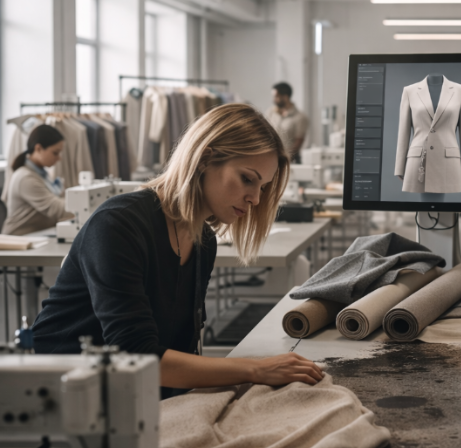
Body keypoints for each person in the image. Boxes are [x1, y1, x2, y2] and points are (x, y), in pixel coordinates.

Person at [32, 103, 324, 397]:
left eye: (262, 187)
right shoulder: (117, 225)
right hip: (67, 398)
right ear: (204, 159)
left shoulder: (203, 242)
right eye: (247, 178)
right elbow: (136, 355)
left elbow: (177, 350)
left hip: (137, 395)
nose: (255, 199)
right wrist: (256, 369)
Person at [1, 124, 74, 236]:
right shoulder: (25, 178)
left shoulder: (42, 174)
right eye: (55, 153)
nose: (59, 158)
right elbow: (55, 209)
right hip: (19, 241)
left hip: (37, 236)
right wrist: (88, 205)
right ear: (38, 148)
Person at [266, 81, 309, 160]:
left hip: (289, 161)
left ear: (285, 97)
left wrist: (284, 159)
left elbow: (298, 142)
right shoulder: (271, 113)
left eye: (276, 97)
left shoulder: (300, 117)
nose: (274, 100)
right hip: (270, 158)